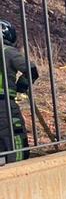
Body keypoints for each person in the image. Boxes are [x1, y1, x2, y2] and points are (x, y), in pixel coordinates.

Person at [1, 19, 38, 163]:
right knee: (14, 140)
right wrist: (22, 85)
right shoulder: (8, 52)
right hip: (4, 106)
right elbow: (31, 70)